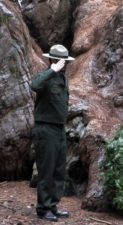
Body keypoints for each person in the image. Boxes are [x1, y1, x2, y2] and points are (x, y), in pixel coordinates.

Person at [31, 44, 75, 222]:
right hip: (45, 130)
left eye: (64, 61)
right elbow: (34, 85)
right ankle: (43, 208)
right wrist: (52, 69)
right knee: (46, 170)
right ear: (52, 60)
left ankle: (53, 206)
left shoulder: (62, 79)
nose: (62, 64)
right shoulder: (46, 77)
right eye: (59, 60)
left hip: (59, 129)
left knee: (59, 170)